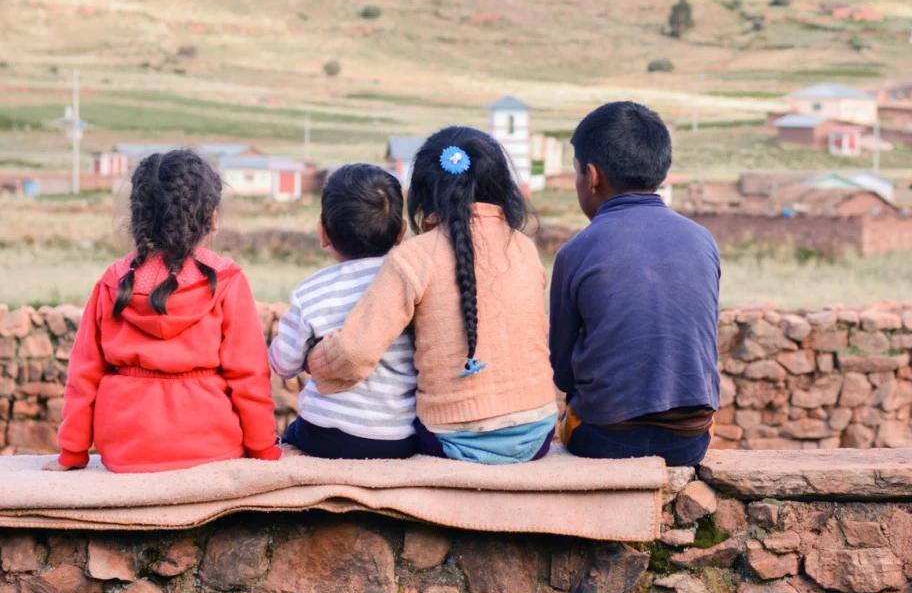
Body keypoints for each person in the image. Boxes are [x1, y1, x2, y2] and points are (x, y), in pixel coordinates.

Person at [308, 127, 557, 464]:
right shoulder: (524, 248)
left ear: (423, 192)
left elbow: (354, 352)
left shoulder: (414, 257)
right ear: (500, 184)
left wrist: (315, 359)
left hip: (453, 442)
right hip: (537, 433)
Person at [48, 149, 280, 473]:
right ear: (211, 216)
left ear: (138, 215)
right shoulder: (227, 280)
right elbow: (249, 376)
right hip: (212, 445)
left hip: (124, 453)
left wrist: (72, 453)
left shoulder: (112, 281)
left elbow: (83, 377)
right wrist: (263, 448)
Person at [550, 101, 721, 466]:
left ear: (592, 176)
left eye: (576, 173)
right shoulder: (702, 239)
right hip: (689, 442)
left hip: (601, 439)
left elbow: (562, 372)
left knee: (566, 419)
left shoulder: (576, 251)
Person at [269, 164, 418, 459]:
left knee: (289, 436)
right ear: (401, 232)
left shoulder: (312, 292)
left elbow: (283, 364)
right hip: (401, 436)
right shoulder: (412, 285)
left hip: (327, 434)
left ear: (323, 232)